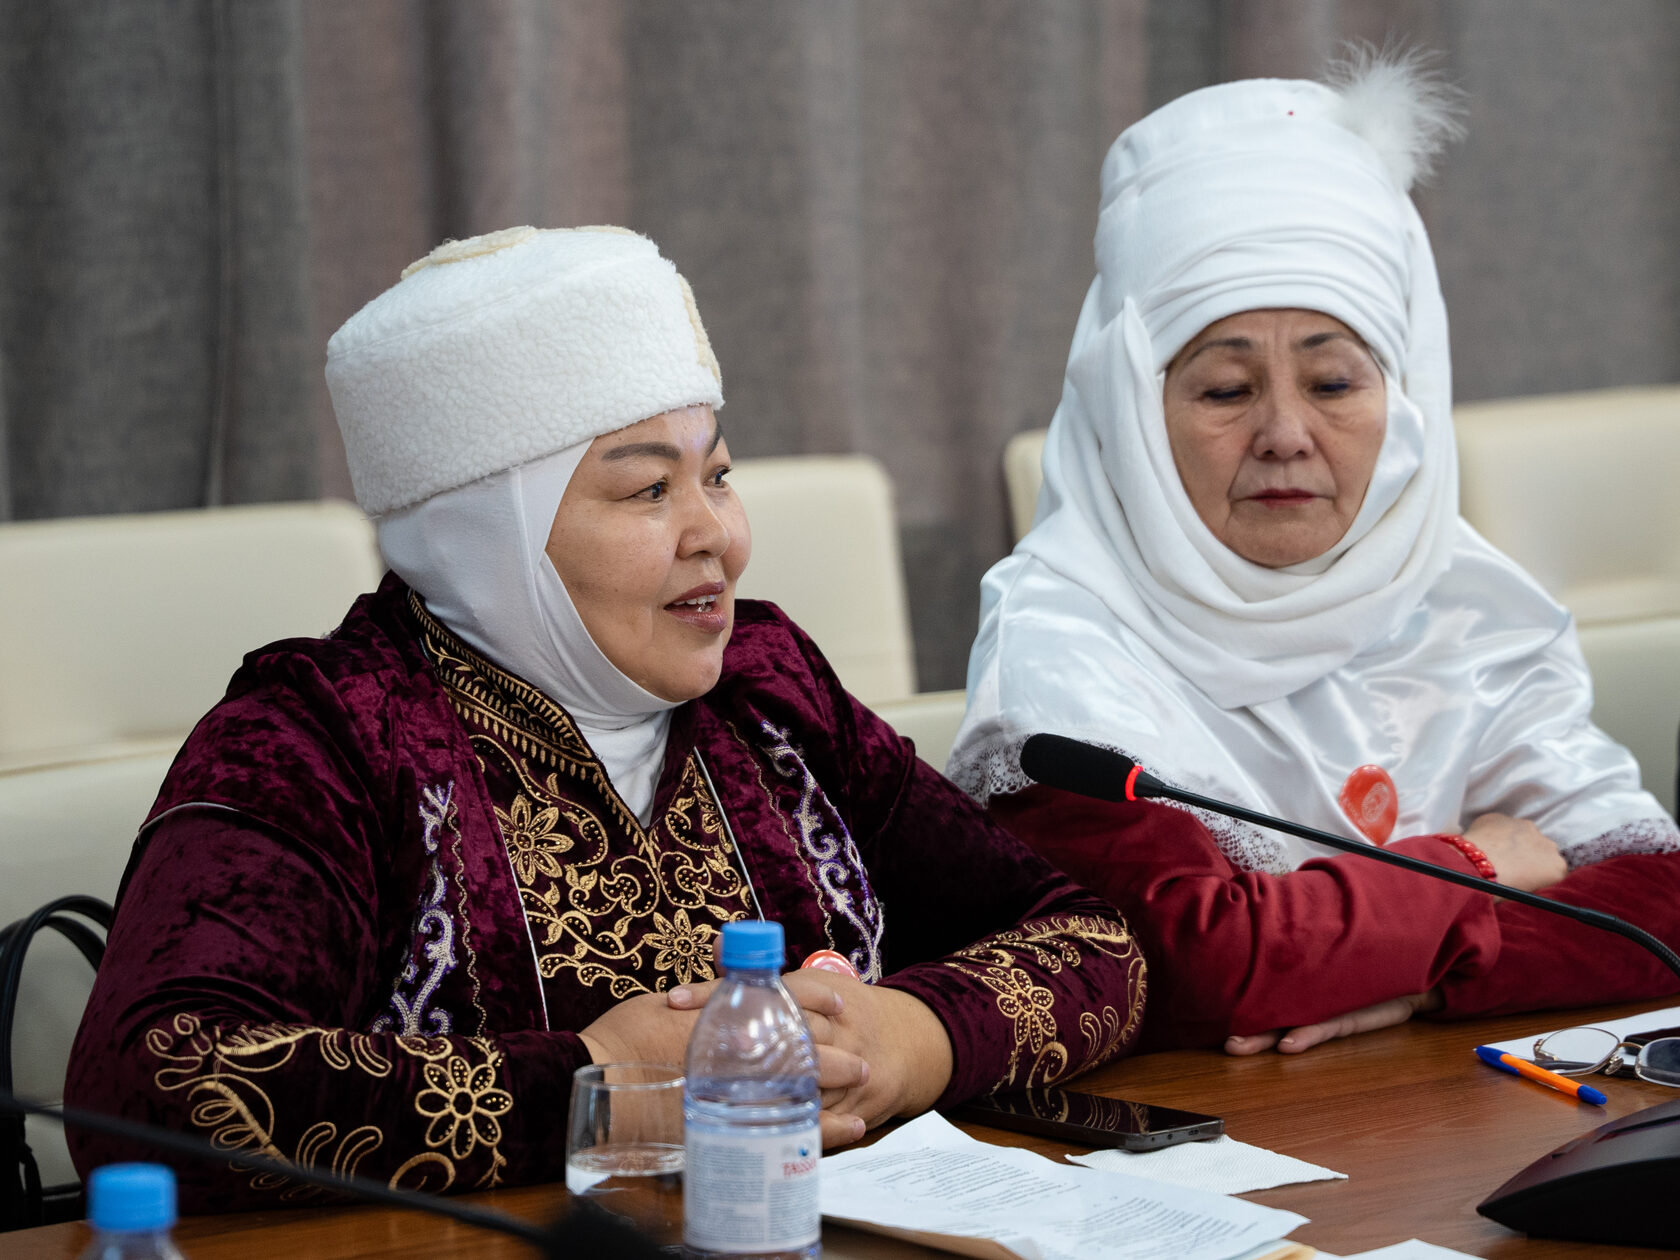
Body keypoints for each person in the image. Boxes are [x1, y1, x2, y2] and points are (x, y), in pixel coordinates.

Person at [65, 226, 1146, 1210]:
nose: (717, 536)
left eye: (718, 476)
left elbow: (1093, 939)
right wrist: (603, 1084)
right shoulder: (323, 735)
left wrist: (908, 1039)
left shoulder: (767, 686)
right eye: (648, 492)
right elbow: (149, 1086)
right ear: (486, 531)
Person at [947, 55, 1680, 1057]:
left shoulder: (1461, 601)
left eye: (1334, 383)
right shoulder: (1061, 643)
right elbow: (1200, 964)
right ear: (1133, 413)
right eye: (1224, 390)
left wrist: (1424, 977)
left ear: (1404, 396)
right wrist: (1472, 865)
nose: (1286, 435)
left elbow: (1659, 903)